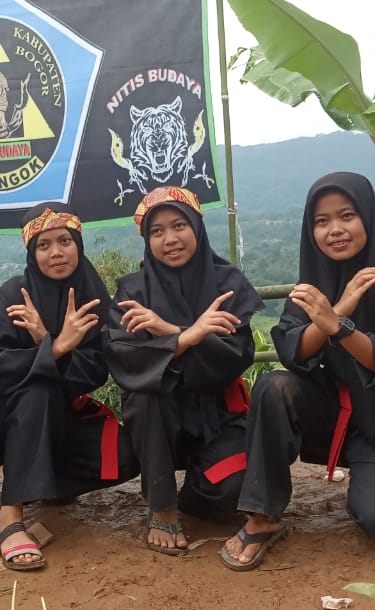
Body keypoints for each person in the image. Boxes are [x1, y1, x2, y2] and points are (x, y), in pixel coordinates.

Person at [224, 173, 375, 570]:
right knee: (274, 387)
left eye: (347, 216)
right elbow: (291, 348)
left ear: (368, 217)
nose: (335, 230)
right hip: (333, 408)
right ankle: (263, 516)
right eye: (321, 221)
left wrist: (339, 328)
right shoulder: (315, 281)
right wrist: (336, 312)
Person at [0, 203, 138, 570]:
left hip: (62, 419)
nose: (56, 252)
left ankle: (44, 486)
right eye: (44, 245)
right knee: (39, 389)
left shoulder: (90, 296)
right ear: (31, 252)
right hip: (3, 421)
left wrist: (46, 342)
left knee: (127, 454)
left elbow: (97, 372)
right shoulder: (13, 295)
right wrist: (56, 348)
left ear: (77, 244)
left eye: (65, 241)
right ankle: (10, 515)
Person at [105, 186, 262, 555]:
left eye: (179, 225)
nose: (170, 239)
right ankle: (162, 507)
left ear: (197, 227)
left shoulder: (227, 285)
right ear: (147, 240)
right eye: (157, 231)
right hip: (159, 425)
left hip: (218, 414)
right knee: (147, 395)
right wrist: (189, 337)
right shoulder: (132, 292)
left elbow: (235, 356)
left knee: (234, 491)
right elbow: (126, 359)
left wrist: (169, 332)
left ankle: (195, 491)